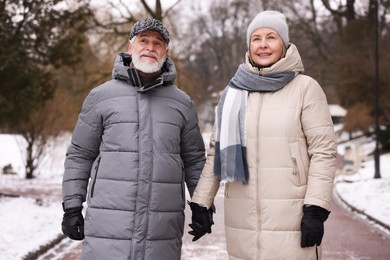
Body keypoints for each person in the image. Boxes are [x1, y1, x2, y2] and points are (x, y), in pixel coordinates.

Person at [188, 10, 337, 259]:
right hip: (242, 216)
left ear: (284, 44)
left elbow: (323, 152)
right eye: (256, 38)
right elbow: (216, 151)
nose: (263, 45)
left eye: (271, 37)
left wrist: (315, 208)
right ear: (249, 45)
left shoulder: (305, 88)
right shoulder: (233, 92)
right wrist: (201, 203)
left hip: (292, 214)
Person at [61, 18, 207, 260]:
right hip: (108, 229)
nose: (150, 47)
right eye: (143, 41)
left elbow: (193, 159)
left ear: (166, 52)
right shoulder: (101, 97)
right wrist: (72, 206)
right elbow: (80, 154)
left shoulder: (182, 103)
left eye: (157, 43)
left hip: (161, 231)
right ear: (131, 47)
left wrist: (202, 205)